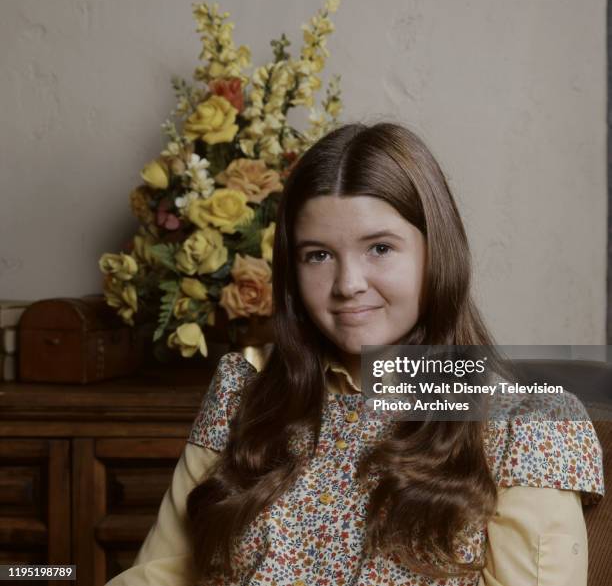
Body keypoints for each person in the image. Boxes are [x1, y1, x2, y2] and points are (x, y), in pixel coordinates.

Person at [106, 122, 605, 586]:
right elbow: (162, 573)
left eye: (380, 248)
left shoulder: (529, 424)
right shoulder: (246, 388)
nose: (347, 284)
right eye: (318, 255)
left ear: (438, 252)